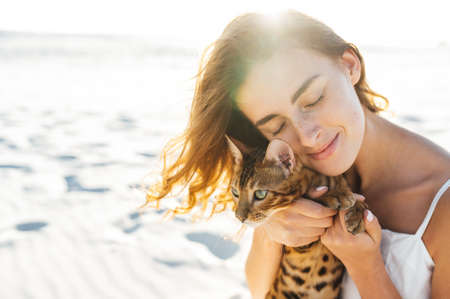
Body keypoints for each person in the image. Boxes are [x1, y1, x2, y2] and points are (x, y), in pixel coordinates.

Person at [143, 9, 450, 298]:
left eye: (313, 99)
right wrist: (270, 230)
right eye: (276, 125)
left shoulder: (443, 207)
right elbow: (260, 289)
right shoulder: (296, 180)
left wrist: (365, 265)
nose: (307, 135)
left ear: (350, 65)